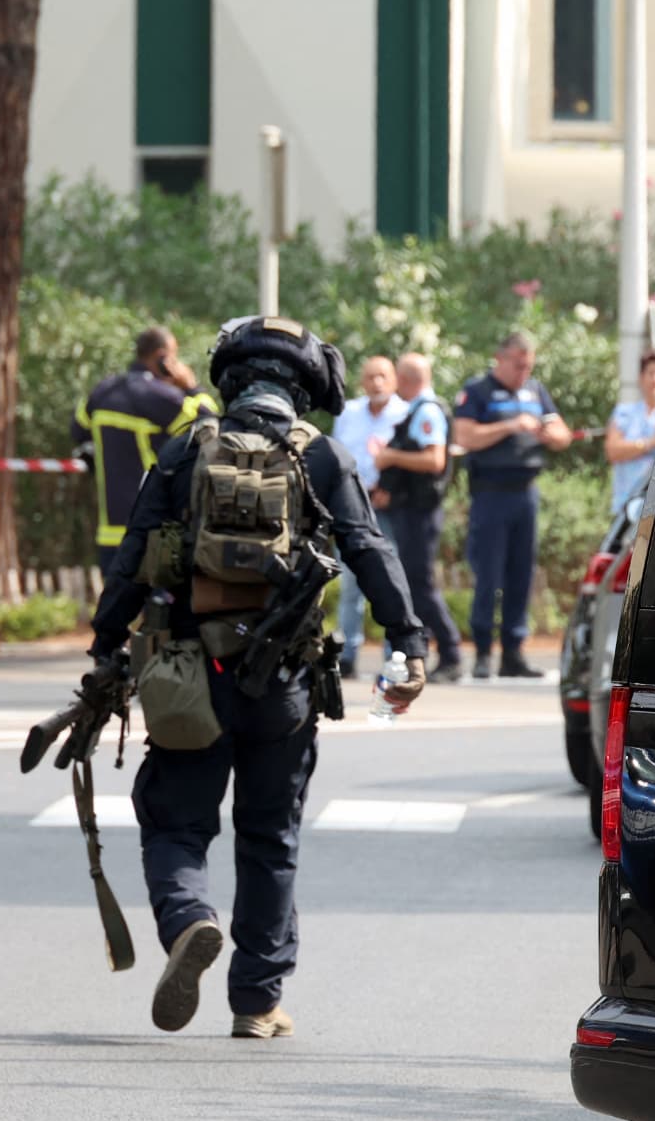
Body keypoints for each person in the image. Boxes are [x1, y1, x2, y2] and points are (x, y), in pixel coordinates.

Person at [88, 315, 428, 1038]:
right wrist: (410, 643)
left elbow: (132, 555)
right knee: (271, 835)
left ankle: (189, 918)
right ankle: (258, 1001)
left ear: (231, 380)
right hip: (284, 684)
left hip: (188, 676)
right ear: (303, 389)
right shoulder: (322, 456)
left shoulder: (187, 449)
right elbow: (371, 549)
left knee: (176, 820)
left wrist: (104, 647)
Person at [453, 331, 572, 679]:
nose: (523, 372)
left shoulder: (535, 390)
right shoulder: (477, 391)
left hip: (525, 492)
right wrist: (509, 426)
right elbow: (464, 436)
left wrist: (553, 435)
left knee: (522, 573)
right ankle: (482, 653)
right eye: (518, 365)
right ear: (500, 358)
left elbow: (562, 433)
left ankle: (513, 654)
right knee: (489, 574)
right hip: (491, 492)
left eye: (528, 366)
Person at [72, 327, 220, 574]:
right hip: (157, 530)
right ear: (163, 357)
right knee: (163, 608)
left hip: (111, 533)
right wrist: (193, 387)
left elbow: (77, 430)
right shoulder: (161, 398)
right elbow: (211, 423)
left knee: (116, 609)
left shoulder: (102, 392)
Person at [375, 353, 465, 683]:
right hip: (409, 510)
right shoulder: (415, 410)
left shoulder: (427, 411)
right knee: (414, 584)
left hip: (420, 512)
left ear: (409, 379)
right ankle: (422, 654)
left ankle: (452, 653)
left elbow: (433, 460)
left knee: (421, 585)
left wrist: (389, 456)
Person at [329, 356, 407, 678]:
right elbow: (336, 457)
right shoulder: (348, 413)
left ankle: (396, 654)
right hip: (352, 508)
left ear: (394, 380)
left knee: (392, 581)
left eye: (383, 376)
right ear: (362, 381)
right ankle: (347, 655)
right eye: (371, 376)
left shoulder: (405, 414)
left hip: (391, 510)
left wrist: (391, 489)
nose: (377, 382)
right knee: (351, 583)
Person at [604, 349, 655, 514]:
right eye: (651, 373)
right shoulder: (625, 411)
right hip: (626, 505)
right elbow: (613, 451)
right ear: (641, 379)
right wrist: (650, 443)